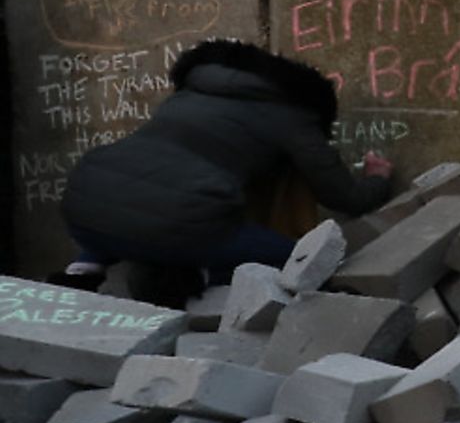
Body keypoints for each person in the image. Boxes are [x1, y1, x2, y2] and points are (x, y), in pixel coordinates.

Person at [58, 38, 392, 306]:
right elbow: (344, 197)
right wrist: (377, 178)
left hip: (84, 203)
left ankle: (84, 267)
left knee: (128, 202)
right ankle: (190, 277)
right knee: (301, 260)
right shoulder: (292, 113)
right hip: (177, 222)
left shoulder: (189, 93)